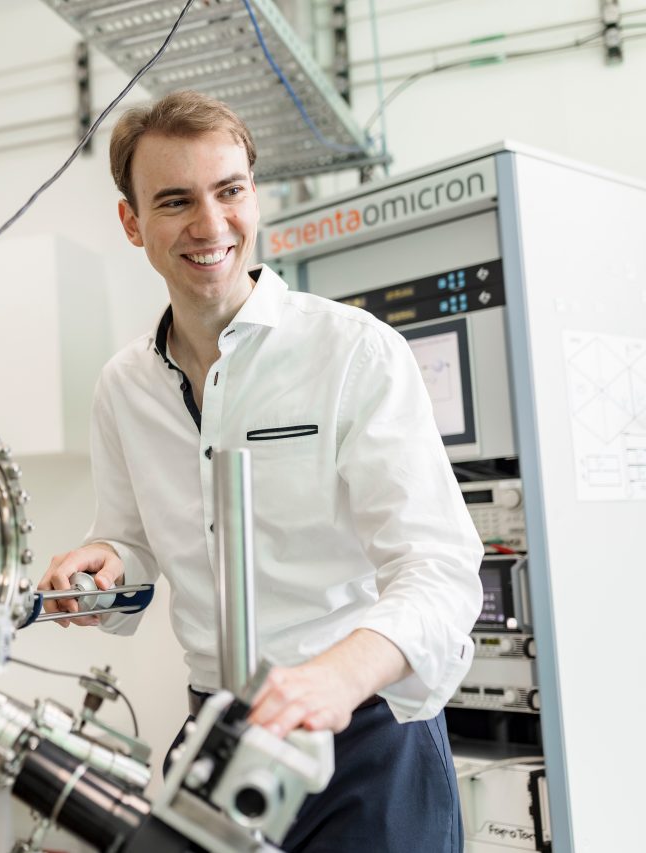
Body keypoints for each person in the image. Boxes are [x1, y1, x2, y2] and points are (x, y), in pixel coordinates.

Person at [38, 90, 483, 852]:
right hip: (217, 728)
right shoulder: (123, 385)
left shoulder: (354, 352)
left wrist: (336, 677)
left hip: (361, 739)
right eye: (176, 201)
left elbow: (440, 572)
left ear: (255, 194)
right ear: (133, 223)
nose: (211, 226)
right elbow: (133, 548)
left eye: (230, 190)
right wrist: (106, 566)